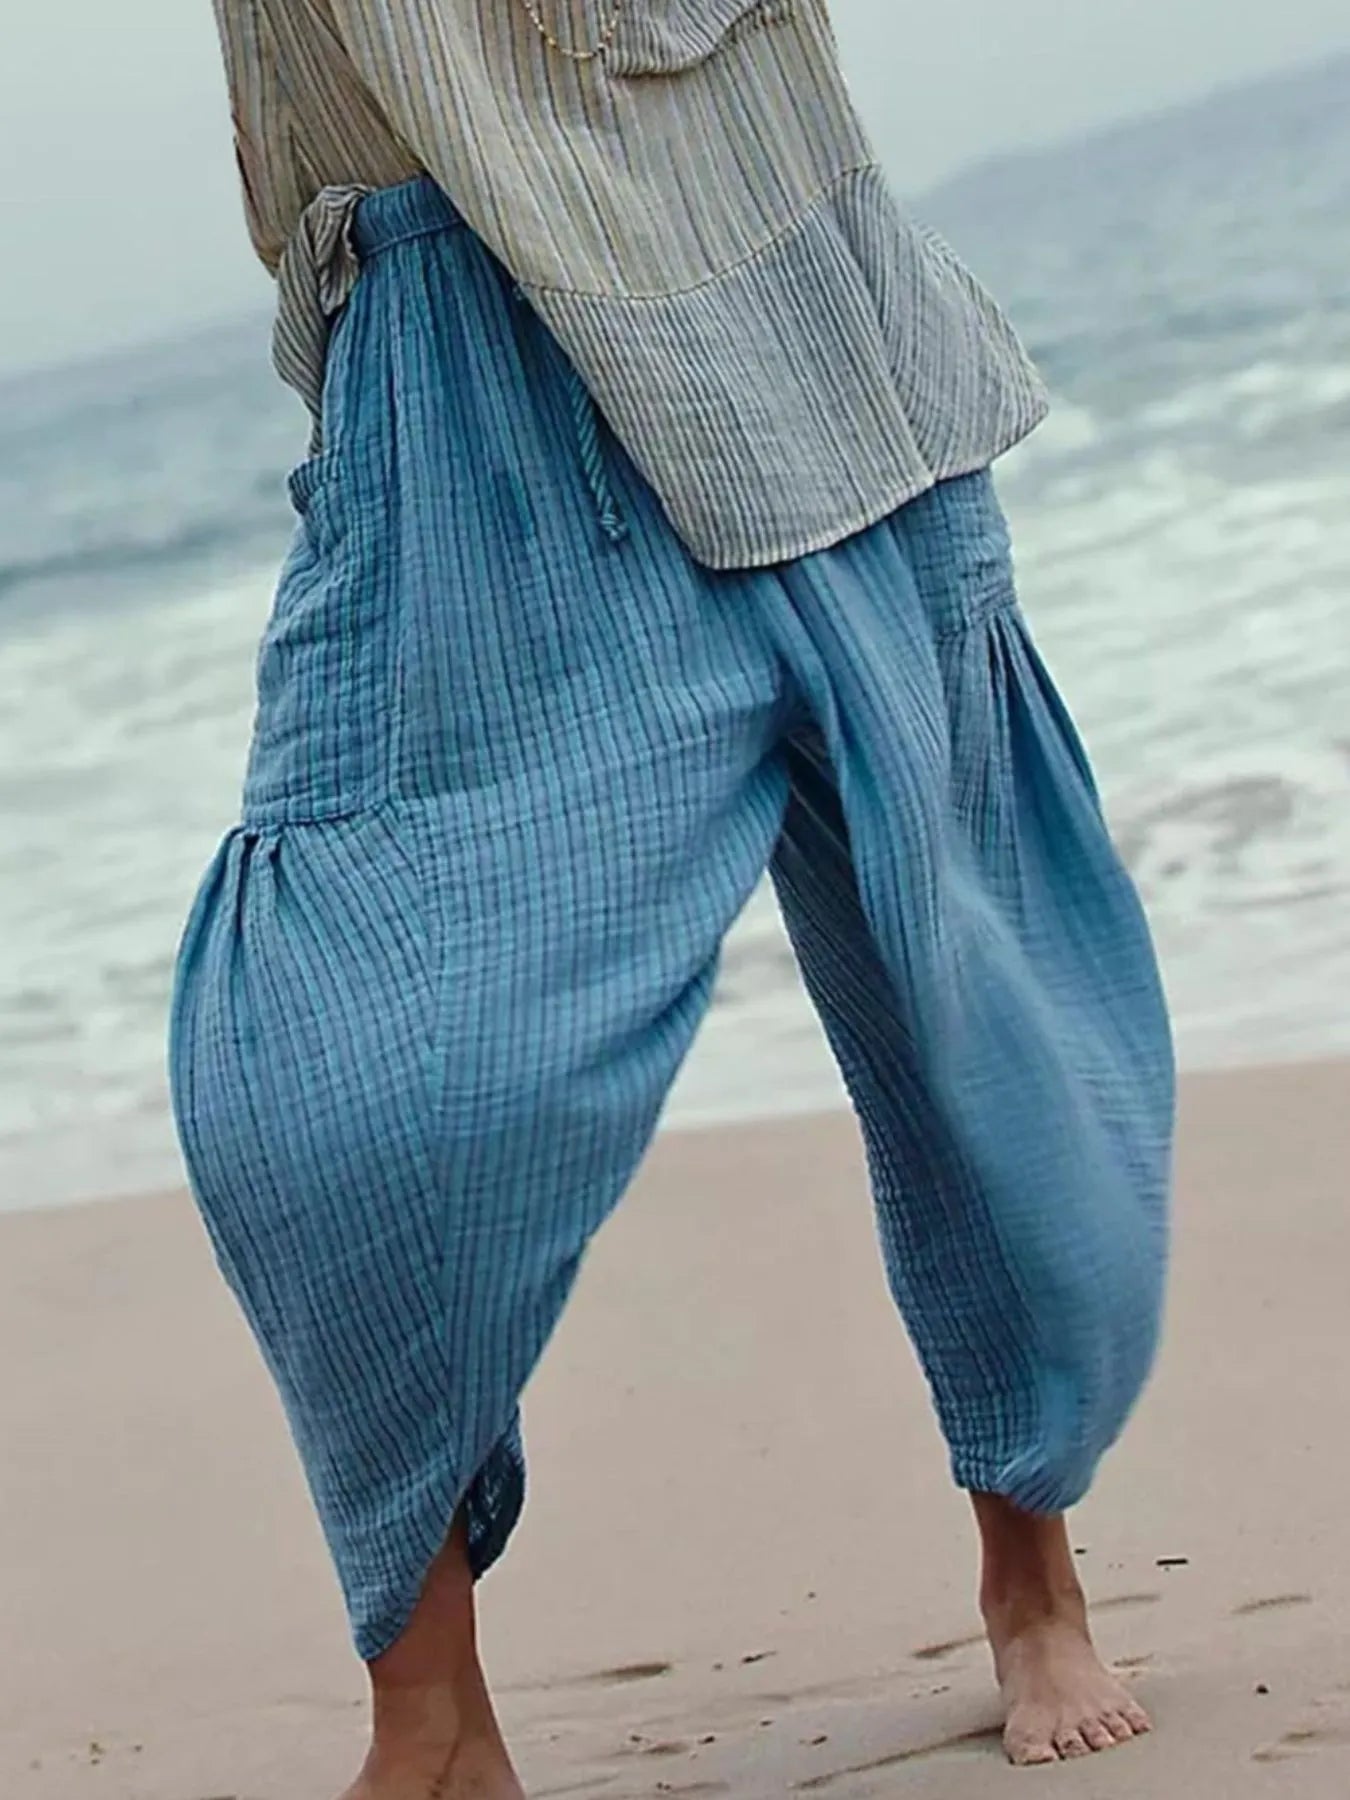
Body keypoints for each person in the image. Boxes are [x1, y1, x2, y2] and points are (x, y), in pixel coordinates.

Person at [173, 3, 1174, 1793]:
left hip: (779, 293)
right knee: (331, 1097)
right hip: (460, 393)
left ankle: (1032, 1577)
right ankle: (433, 1717)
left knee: (978, 1009)